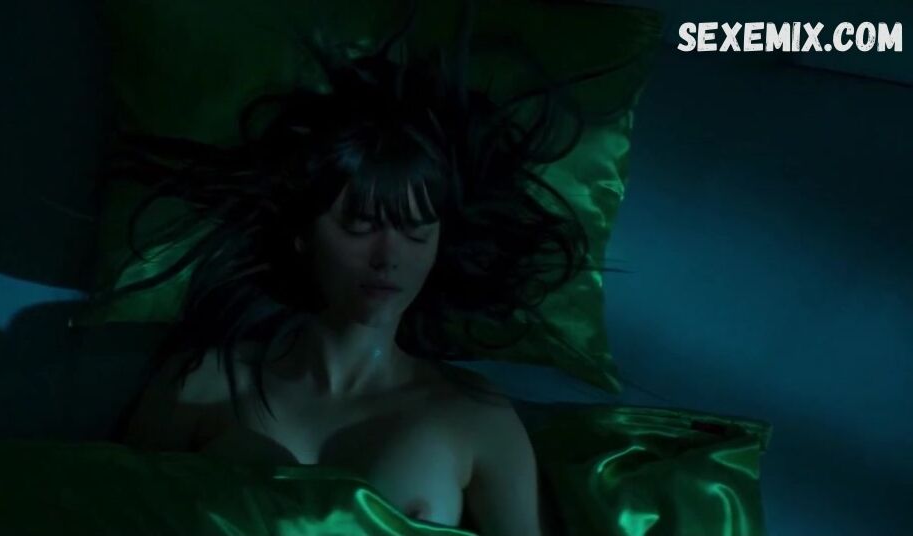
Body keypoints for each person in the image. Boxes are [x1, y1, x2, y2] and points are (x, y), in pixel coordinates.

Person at [96, 10, 592, 535]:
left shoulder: (473, 416)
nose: (388, 256)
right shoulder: (204, 383)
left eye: (416, 231)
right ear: (302, 232)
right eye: (359, 226)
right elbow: (106, 516)